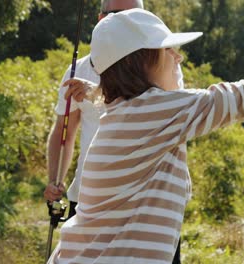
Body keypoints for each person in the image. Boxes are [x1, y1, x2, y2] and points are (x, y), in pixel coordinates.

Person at [48, 8, 244, 264]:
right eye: (168, 49)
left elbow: (112, 99)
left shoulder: (125, 113)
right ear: (141, 61)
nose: (178, 57)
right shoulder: (154, 112)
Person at [45, 1, 185, 262]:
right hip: (90, 200)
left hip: (148, 203)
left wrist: (98, 92)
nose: (128, 21)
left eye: (137, 15)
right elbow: (64, 134)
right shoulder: (79, 69)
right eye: (120, 15)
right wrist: (55, 179)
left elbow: (157, 114)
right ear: (101, 19)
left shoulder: (162, 64)